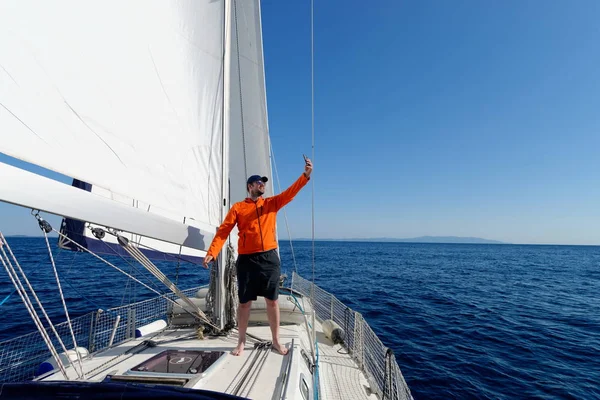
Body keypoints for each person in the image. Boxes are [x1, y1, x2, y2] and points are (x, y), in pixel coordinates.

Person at [203, 158, 313, 356]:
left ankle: (276, 341)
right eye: (258, 182)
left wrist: (305, 176)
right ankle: (241, 342)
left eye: (264, 183)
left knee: (272, 301)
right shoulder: (238, 208)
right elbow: (223, 231)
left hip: (269, 259)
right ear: (250, 186)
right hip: (246, 260)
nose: (262, 185)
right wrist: (213, 252)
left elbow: (290, 193)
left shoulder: (271, 203)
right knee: (244, 302)